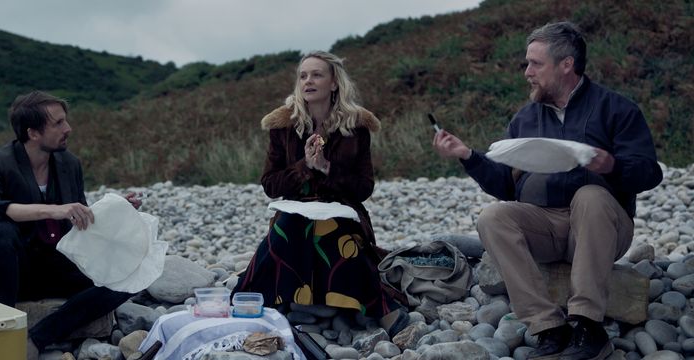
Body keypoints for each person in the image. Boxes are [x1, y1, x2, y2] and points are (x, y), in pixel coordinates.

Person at [433, 22, 662, 360]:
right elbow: (505, 187)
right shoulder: (524, 120)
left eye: (535, 64)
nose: (527, 72)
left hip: (603, 226)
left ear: (566, 64)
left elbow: (649, 173)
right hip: (546, 227)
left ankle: (588, 326)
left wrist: (610, 166)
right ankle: (548, 327)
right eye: (527, 63)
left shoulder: (616, 109)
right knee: (493, 217)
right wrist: (468, 156)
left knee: (591, 195)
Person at [234, 51, 409, 337]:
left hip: (341, 209)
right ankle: (269, 302)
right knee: (287, 228)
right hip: (295, 208)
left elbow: (364, 188)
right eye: (303, 76)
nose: (308, 81)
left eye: (317, 74)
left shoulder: (356, 126)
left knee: (335, 233)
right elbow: (270, 184)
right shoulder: (283, 126)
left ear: (334, 83)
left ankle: (379, 310)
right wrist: (304, 167)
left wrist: (326, 167)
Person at [0, 91, 141, 358]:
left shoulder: (69, 163)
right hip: (14, 269)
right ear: (33, 133)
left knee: (126, 278)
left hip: (58, 263)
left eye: (65, 121)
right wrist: (52, 209)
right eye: (58, 123)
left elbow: (80, 220)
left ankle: (37, 339)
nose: (68, 128)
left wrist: (115, 210)